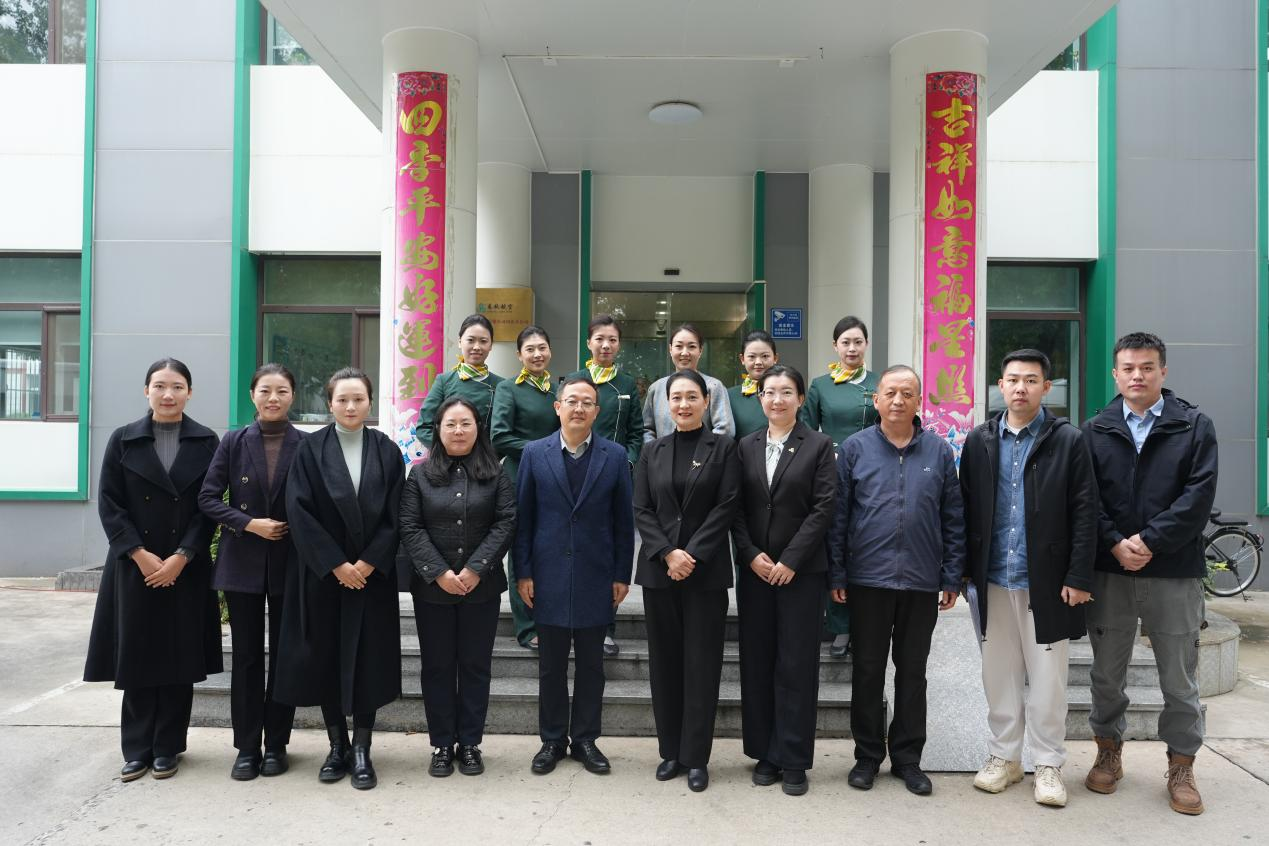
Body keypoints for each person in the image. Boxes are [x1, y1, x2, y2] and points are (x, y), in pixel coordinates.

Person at [1081, 332, 1218, 816]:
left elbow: (1198, 496)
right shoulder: (1095, 430)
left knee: (1179, 678)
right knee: (1106, 674)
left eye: (1146, 367)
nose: (1137, 376)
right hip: (1110, 571)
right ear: (1115, 374)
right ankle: (1108, 751)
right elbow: (1086, 499)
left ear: (1163, 371)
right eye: (1128, 368)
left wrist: (1149, 541)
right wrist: (1116, 543)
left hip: (1174, 573)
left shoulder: (1194, 426)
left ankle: (1182, 766)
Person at [959, 349, 1098, 808]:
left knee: (1048, 679)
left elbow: (1085, 511)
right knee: (998, 674)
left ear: (1046, 387)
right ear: (1000, 385)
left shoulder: (1068, 440)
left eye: (1031, 380)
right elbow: (963, 508)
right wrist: (962, 571)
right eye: (1013, 379)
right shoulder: (979, 440)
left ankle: (1049, 764)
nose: (1021, 388)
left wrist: (1078, 575)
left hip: (1048, 582)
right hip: (993, 578)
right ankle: (1004, 757)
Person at [829, 365, 965, 796]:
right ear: (876, 399)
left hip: (922, 581)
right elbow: (839, 517)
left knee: (912, 672)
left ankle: (908, 758)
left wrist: (952, 576)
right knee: (868, 670)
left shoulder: (939, 451)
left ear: (919, 400)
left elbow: (953, 518)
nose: (898, 400)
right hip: (868, 580)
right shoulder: (855, 449)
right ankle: (867, 756)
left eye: (907, 393)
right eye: (890, 393)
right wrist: (838, 571)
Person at [85, 358, 223, 782]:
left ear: (189, 392)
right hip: (135, 566)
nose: (168, 394)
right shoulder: (123, 439)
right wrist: (138, 553)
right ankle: (137, 748)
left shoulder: (206, 441)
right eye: (160, 386)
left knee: (180, 656)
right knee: (138, 655)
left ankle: (168, 747)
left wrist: (183, 556)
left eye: (177, 386)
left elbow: (209, 505)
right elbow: (109, 503)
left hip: (185, 566)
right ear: (146, 390)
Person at [274, 367, 404, 791]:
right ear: (329, 404)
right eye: (342, 399)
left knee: (369, 660)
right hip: (323, 576)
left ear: (370, 403)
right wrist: (336, 564)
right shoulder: (310, 450)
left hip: (371, 578)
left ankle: (363, 747)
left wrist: (367, 563)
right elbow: (299, 511)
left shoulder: (386, 451)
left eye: (358, 399)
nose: (350, 407)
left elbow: (396, 515)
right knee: (326, 657)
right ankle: (337, 745)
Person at [512, 375, 635, 777]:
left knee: (591, 666)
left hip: (597, 576)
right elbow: (523, 519)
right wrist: (523, 572)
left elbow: (623, 522)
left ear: (596, 411)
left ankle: (585, 739)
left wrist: (622, 574)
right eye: (572, 401)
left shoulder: (615, 456)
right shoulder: (534, 453)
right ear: (558, 407)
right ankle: (551, 739)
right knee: (550, 666)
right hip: (546, 575)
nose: (578, 408)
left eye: (587, 402)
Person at [633, 370, 741, 793]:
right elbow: (642, 508)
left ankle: (697, 757)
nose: (683, 404)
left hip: (704, 572)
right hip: (660, 572)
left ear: (706, 402)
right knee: (664, 664)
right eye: (676, 397)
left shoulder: (724, 448)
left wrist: (691, 554)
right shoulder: (652, 451)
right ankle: (670, 752)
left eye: (691, 397)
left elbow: (727, 504)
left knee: (702, 664)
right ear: (666, 403)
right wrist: (667, 553)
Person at [732, 365, 836, 796]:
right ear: (760, 398)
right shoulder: (745, 446)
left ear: (800, 399)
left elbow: (824, 508)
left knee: (796, 664)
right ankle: (765, 753)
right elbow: (734, 508)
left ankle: (793, 757)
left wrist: (791, 559)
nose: (777, 400)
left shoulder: (819, 445)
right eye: (770, 392)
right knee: (758, 661)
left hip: (801, 575)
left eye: (786, 392)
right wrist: (751, 554)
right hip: (756, 573)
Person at [198, 363, 303, 781]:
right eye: (265, 391)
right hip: (242, 560)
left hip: (290, 562)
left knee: (284, 656)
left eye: (281, 391)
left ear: (292, 396)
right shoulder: (234, 441)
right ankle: (246, 746)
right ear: (252, 395)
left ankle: (277, 744)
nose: (273, 398)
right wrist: (248, 523)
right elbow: (208, 498)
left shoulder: (306, 443)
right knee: (245, 658)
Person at [401, 397, 516, 778]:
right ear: (438, 430)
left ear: (478, 428)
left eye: (466, 423)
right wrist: (438, 572)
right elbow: (410, 526)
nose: (458, 431)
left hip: (481, 588)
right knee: (437, 667)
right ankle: (441, 744)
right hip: (432, 590)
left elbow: (506, 522)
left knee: (475, 666)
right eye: (450, 424)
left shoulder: (496, 474)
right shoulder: (420, 474)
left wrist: (476, 569)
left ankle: (469, 743)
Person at [567, 313, 645, 657]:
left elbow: (636, 432)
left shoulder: (626, 384)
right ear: (589, 343)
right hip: (573, 474)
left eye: (612, 339)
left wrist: (627, 462)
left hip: (611, 477)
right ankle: (569, 621)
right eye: (599, 338)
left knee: (607, 550)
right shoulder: (575, 380)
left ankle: (605, 628)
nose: (606, 345)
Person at [805, 315, 880, 659]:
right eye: (845, 342)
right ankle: (840, 626)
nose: (852, 348)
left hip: (874, 474)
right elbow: (807, 431)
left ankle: (866, 624)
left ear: (866, 345)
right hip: (832, 473)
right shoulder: (821, 386)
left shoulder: (880, 383)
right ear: (835, 346)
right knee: (835, 544)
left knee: (866, 546)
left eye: (858, 342)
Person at [491, 325, 559, 652]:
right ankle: (527, 626)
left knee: (549, 548)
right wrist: (542, 449)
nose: (537, 354)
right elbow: (499, 436)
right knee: (522, 549)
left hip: (555, 478)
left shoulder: (557, 390)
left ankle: (549, 617)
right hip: (520, 476)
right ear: (519, 355)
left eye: (542, 347)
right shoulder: (509, 389)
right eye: (530, 349)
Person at [415, 313, 504, 448]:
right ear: (459, 342)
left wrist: (488, 455)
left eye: (483, 341)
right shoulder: (444, 381)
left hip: (485, 459)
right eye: (471, 340)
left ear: (491, 345)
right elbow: (424, 428)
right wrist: (449, 450)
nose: (476, 347)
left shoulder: (501, 385)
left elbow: (504, 433)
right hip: (447, 458)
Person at [643, 323, 734, 441]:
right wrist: (657, 450)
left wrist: (703, 450)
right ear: (670, 349)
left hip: (705, 453)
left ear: (700, 350)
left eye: (691, 346)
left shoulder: (714, 386)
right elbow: (646, 429)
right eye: (679, 346)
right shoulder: (656, 388)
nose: (685, 353)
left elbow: (725, 429)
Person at [727, 330, 779, 439]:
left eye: (765, 356)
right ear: (742, 359)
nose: (758, 362)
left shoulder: (786, 392)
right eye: (752, 356)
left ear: (775, 358)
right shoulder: (729, 396)